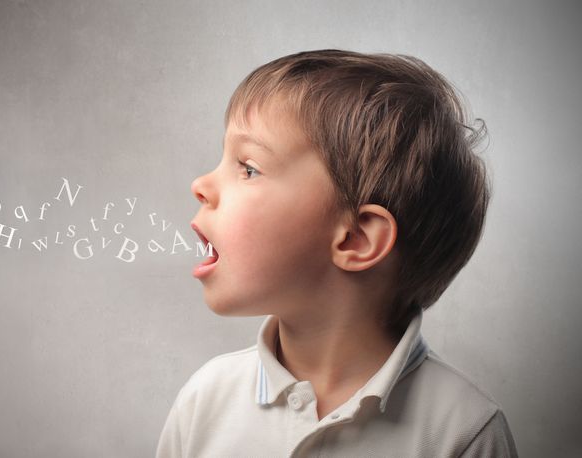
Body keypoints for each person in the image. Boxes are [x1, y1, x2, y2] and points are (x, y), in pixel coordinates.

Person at [156, 49, 518, 457]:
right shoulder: (204, 401)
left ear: (356, 239)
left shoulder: (464, 432)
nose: (200, 184)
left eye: (249, 167)